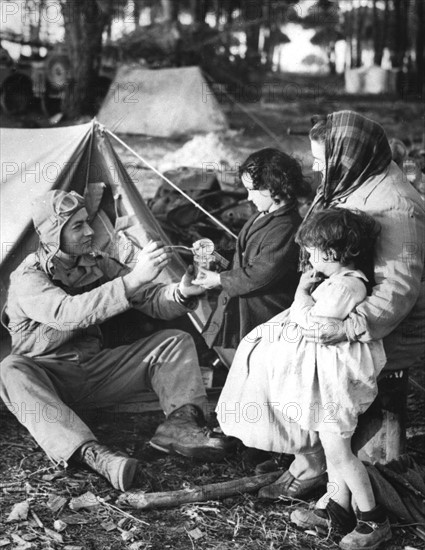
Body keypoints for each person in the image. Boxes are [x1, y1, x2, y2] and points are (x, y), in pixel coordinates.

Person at [215, 111, 425, 521]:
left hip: (380, 329)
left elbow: (397, 291)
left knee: (281, 363)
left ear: (348, 155)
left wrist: (344, 328)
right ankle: (310, 454)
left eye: (321, 160)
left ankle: (315, 462)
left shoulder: (398, 206)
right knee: (259, 349)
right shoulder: (355, 178)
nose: (315, 169)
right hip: (338, 305)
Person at [0, 190, 233, 492]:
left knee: (174, 342)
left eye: (87, 223)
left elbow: (150, 299)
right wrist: (134, 278)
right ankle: (94, 455)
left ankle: (181, 427)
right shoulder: (27, 277)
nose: (88, 231)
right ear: (53, 235)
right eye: (77, 226)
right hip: (48, 378)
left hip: (95, 371)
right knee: (10, 369)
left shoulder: (97, 263)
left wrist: (181, 293)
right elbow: (68, 313)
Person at [193, 148, 311, 352]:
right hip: (244, 310)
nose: (247, 197)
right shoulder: (263, 214)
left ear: (273, 187)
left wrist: (218, 279)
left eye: (252, 190)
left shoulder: (287, 227)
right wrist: (216, 256)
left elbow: (260, 274)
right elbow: (244, 256)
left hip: (264, 317)